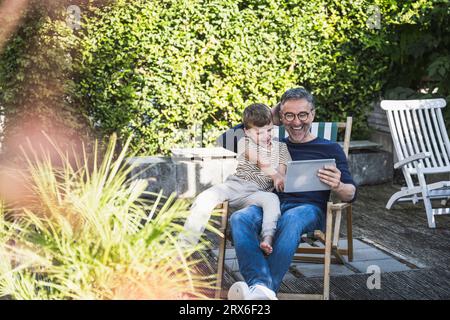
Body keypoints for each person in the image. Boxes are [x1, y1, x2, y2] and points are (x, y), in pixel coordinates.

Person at [227, 87, 357, 300]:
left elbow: (351, 193)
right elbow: (226, 139)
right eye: (289, 115)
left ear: (312, 114)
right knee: (239, 217)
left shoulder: (330, 148)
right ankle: (263, 290)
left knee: (292, 218)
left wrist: (338, 185)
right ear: (281, 117)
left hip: (308, 210)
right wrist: (268, 114)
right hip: (271, 204)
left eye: (303, 114)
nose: (296, 122)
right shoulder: (272, 144)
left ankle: (261, 290)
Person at [180, 103, 291, 255]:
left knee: (272, 199)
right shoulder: (244, 142)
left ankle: (267, 237)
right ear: (247, 132)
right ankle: (184, 248)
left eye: (270, 130)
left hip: (256, 194)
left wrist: (280, 178)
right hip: (236, 186)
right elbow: (259, 160)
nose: (266, 136)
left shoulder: (282, 148)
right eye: (259, 133)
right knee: (205, 198)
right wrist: (275, 175)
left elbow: (282, 173)